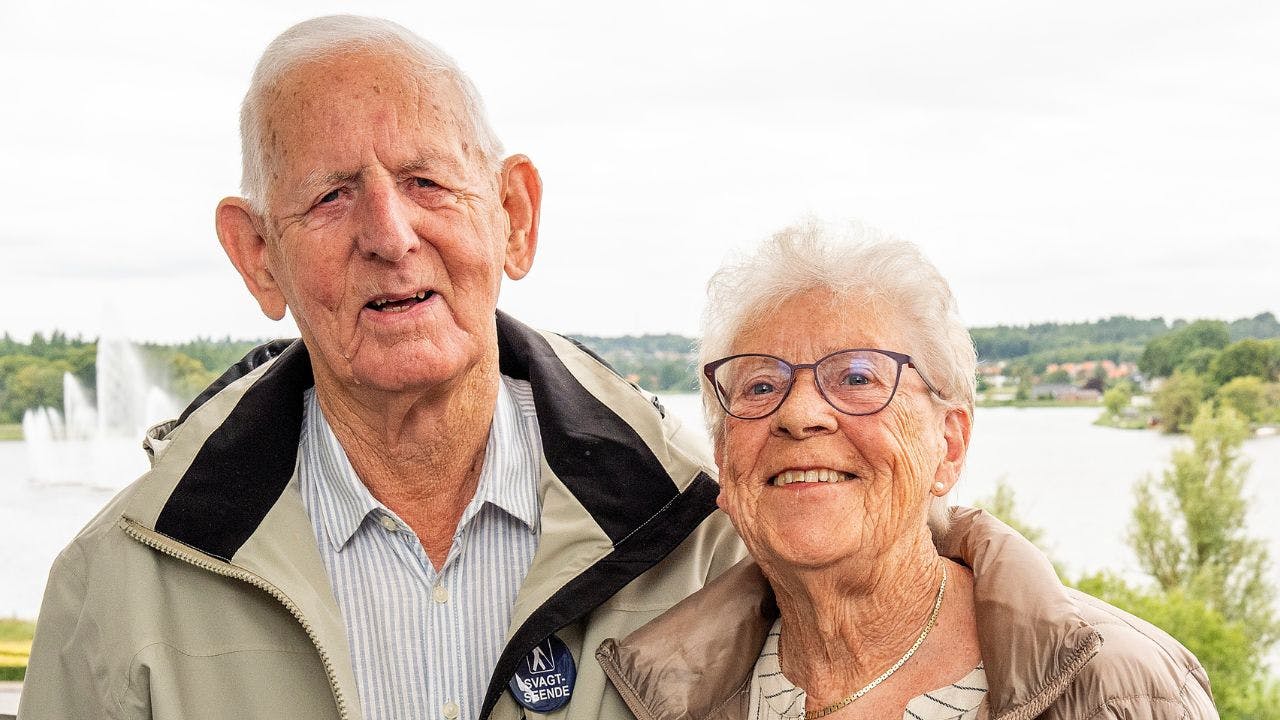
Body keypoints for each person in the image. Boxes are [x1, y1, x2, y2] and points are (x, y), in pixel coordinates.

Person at [20, 16, 743, 720]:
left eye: (425, 181)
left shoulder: (710, 532)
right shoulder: (113, 589)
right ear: (258, 256)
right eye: (331, 195)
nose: (390, 238)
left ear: (514, 217)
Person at [596, 221, 1218, 719]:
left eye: (859, 377)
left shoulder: (1121, 688)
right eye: (761, 385)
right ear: (726, 464)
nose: (801, 413)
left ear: (949, 446)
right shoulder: (649, 695)